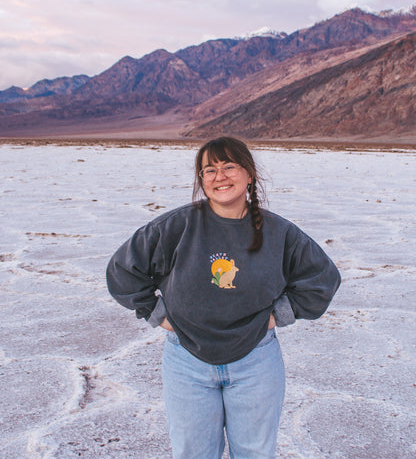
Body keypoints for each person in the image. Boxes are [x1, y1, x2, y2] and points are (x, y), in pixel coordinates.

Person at [106, 136, 341, 459]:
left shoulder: (279, 233)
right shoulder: (175, 227)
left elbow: (322, 279)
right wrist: (157, 314)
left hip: (256, 360)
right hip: (187, 360)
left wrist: (278, 316)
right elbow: (122, 271)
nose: (220, 177)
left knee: (255, 453)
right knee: (193, 453)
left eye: (229, 166)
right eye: (209, 170)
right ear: (201, 180)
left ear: (249, 174)